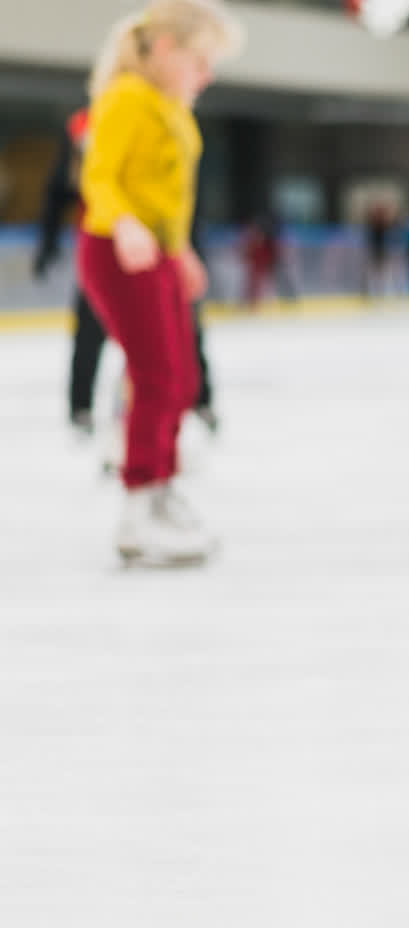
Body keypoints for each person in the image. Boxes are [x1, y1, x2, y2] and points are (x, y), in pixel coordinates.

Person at [76, 0, 242, 567]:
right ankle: (137, 508)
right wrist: (124, 224)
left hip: (159, 252)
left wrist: (182, 250)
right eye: (201, 60)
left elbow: (171, 194)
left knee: (181, 376)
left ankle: (162, 487)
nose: (208, 75)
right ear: (166, 49)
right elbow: (99, 176)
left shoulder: (174, 106)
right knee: (154, 376)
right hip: (119, 248)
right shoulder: (127, 97)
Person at [34, 108, 111, 439]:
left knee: (167, 336)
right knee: (89, 332)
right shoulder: (85, 124)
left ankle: (195, 401)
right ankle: (80, 407)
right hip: (99, 245)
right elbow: (59, 191)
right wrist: (48, 243)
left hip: (150, 246)